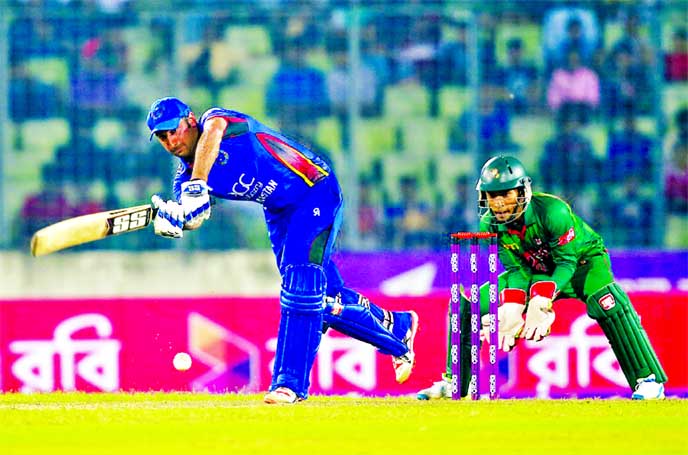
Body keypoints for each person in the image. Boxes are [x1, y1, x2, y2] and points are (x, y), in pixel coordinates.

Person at [145, 97, 419, 404]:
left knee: (301, 289)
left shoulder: (216, 122)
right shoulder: (185, 177)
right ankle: (398, 327)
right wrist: (179, 219)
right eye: (162, 137)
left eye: (174, 130)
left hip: (314, 191)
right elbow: (194, 213)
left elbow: (213, 134)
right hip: (278, 212)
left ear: (190, 120)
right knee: (321, 297)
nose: (170, 141)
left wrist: (196, 186)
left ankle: (289, 385)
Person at [416, 155, 667, 400]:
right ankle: (455, 383)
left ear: (522, 191)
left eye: (505, 193)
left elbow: (566, 262)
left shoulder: (553, 211)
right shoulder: (489, 224)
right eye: (493, 195)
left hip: (582, 263)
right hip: (533, 271)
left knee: (609, 302)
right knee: (464, 305)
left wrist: (541, 299)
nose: (499, 202)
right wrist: (513, 306)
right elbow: (516, 270)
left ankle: (648, 381)